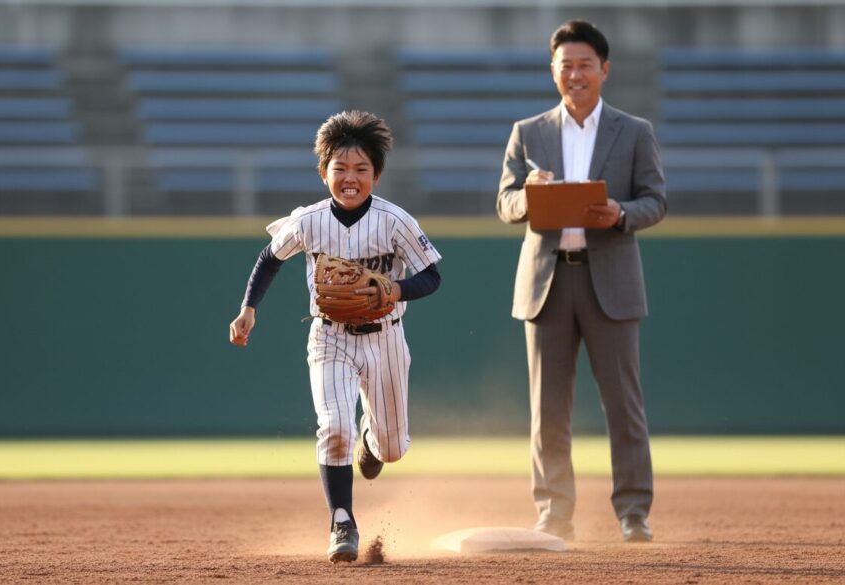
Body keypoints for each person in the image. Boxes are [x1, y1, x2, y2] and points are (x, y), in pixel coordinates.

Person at [229, 110, 443, 562]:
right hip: (330, 337)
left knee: (392, 448)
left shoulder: (395, 221)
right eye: (340, 168)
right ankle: (341, 522)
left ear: (377, 175)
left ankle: (373, 443)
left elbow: (432, 277)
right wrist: (249, 308)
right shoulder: (308, 221)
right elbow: (270, 257)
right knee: (334, 427)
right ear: (323, 172)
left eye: (361, 169)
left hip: (385, 336)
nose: (350, 178)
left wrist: (395, 288)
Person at [496, 20, 667, 543]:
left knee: (624, 406)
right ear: (553, 72)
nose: (575, 74)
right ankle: (554, 513)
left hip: (609, 278)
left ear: (604, 70)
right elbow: (505, 204)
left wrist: (619, 212)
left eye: (584, 64)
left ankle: (633, 512)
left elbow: (655, 201)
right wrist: (528, 194)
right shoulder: (529, 132)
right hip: (548, 283)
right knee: (548, 411)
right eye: (565, 65)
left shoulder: (634, 131)